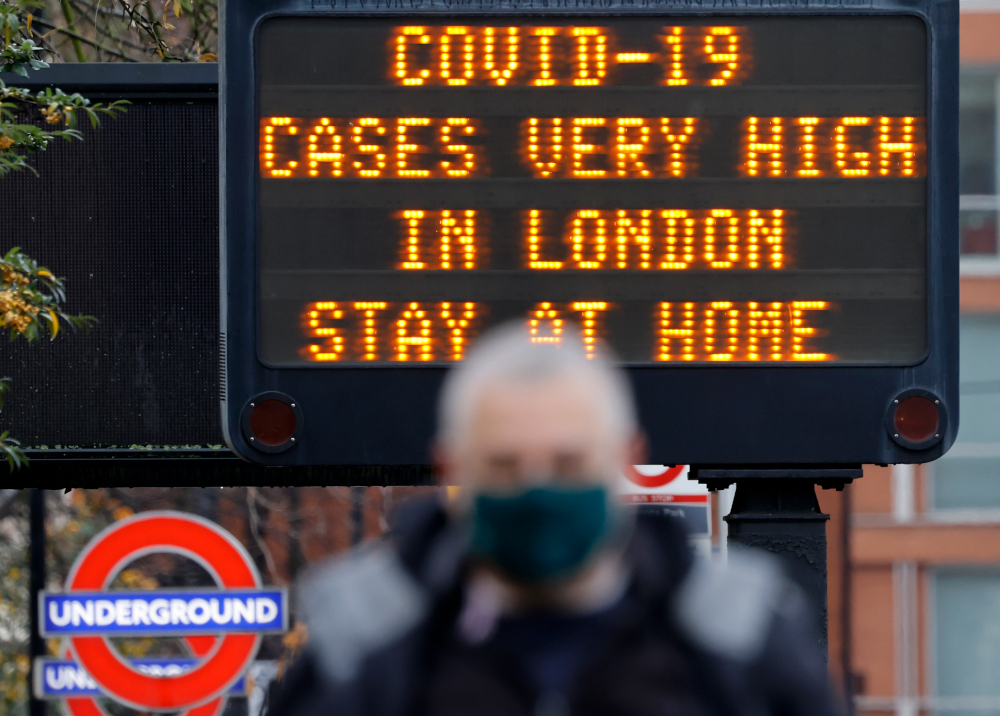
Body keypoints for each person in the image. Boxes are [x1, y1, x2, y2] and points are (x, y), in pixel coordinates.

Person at [268, 323, 841, 716]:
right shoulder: (360, 651)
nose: (537, 489)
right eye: (504, 464)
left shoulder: (742, 644)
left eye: (568, 462)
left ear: (626, 457)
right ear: (451, 467)